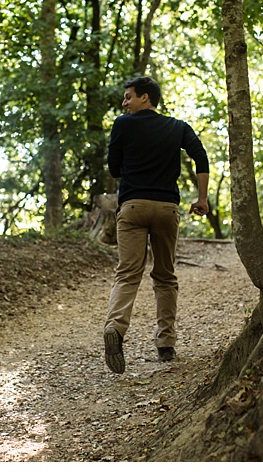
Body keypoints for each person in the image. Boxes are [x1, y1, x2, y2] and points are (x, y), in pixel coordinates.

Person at [103, 76, 209, 374]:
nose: (124, 103)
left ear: (145, 98)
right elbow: (200, 156)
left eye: (128, 97)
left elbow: (113, 169)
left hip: (133, 206)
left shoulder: (123, 124)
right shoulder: (178, 127)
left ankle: (115, 328)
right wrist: (202, 198)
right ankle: (166, 344)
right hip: (166, 208)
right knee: (165, 276)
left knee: (127, 274)